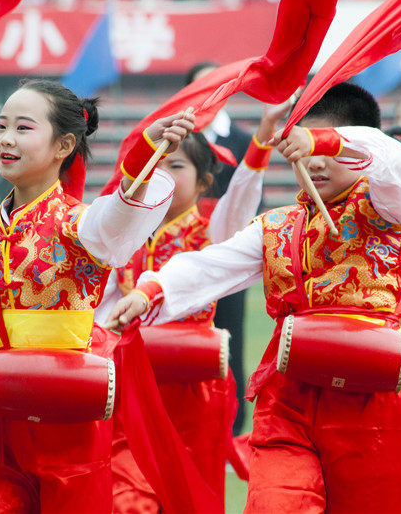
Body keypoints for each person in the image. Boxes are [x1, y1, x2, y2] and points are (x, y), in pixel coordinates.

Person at [106, 82, 401, 513]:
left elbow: (394, 159)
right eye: (305, 147)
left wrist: (322, 140)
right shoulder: (276, 227)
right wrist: (151, 292)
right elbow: (212, 264)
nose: (316, 161)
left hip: (373, 403)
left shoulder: (391, 209)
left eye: (329, 148)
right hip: (288, 405)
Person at [0, 79, 195, 512]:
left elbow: (118, 217)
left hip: (72, 435)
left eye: (23, 128)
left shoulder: (82, 227)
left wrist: (141, 156)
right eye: (1, 126)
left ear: (63, 146)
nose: (5, 138)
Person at [99, 97, 294, 513]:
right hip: (132, 381)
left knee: (191, 496)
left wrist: (260, 139)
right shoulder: (121, 235)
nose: (163, 176)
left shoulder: (215, 231)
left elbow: (241, 199)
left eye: (176, 167)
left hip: (195, 391)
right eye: (157, 166)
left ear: (205, 182)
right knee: (127, 493)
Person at [186, 61, 254, 434]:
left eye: (220, 84)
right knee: (183, 340)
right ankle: (191, 422)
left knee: (230, 337)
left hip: (229, 256)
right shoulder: (179, 138)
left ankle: (231, 426)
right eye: (203, 85)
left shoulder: (243, 141)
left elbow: (250, 197)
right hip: (182, 255)